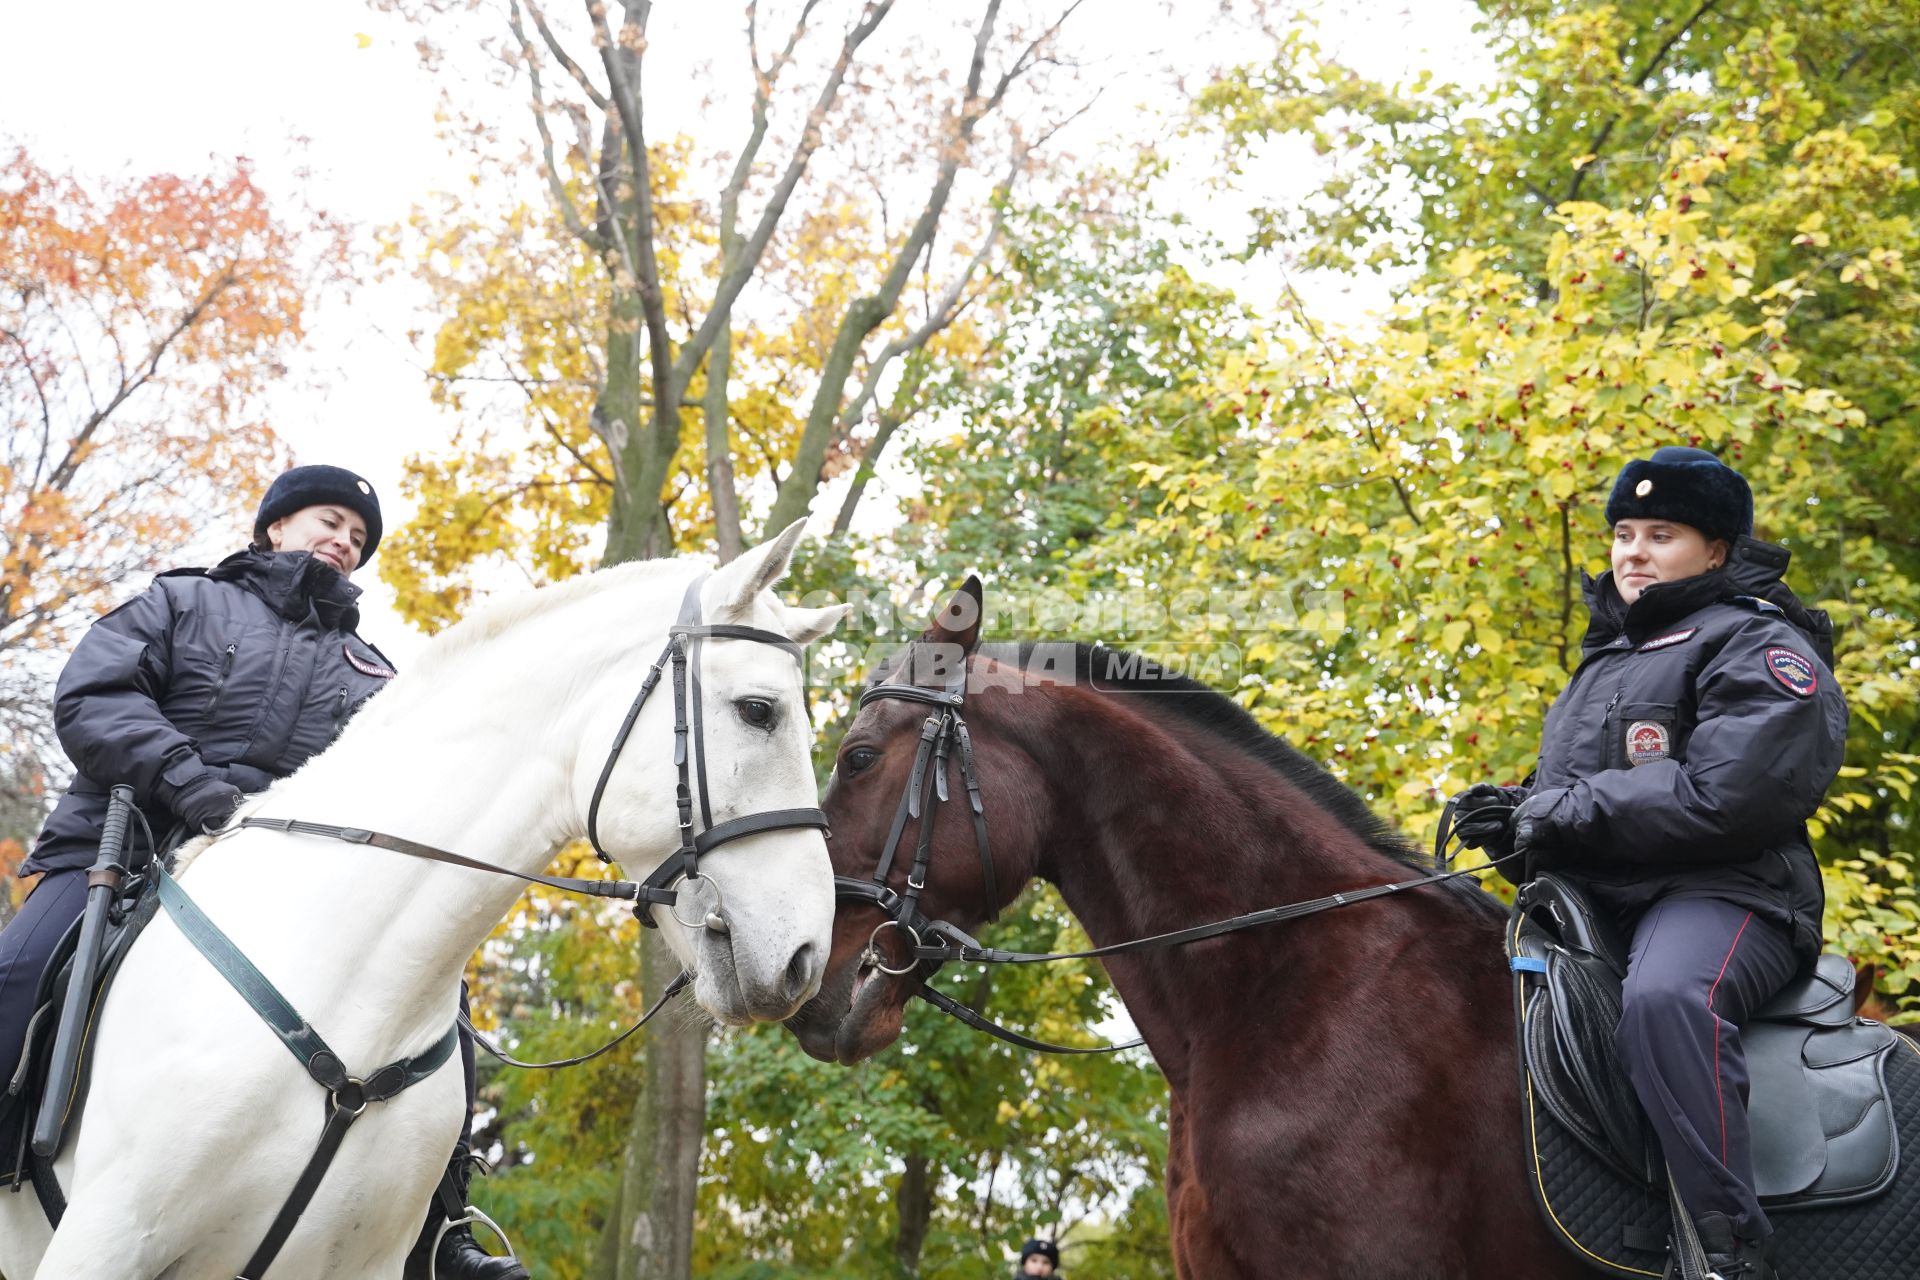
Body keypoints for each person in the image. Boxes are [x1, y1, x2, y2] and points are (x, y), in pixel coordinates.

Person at [0, 464, 525, 1280]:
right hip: (127, 849)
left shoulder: (376, 677)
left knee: (438, 1003)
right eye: (328, 520)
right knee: (17, 967)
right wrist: (192, 785)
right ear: (275, 527)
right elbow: (93, 696)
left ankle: (441, 1227)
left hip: (288, 895)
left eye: (357, 536)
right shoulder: (183, 602)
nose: (343, 541)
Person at [1450, 447, 1846, 1280]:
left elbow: (1727, 794)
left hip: (1729, 896)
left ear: (1718, 551)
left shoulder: (1763, 645)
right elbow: (1579, 807)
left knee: (1668, 998)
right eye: (1624, 534)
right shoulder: (1603, 663)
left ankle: (1726, 1246)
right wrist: (1513, 825)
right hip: (1610, 904)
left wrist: (1553, 809)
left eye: (1661, 534)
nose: (1632, 552)